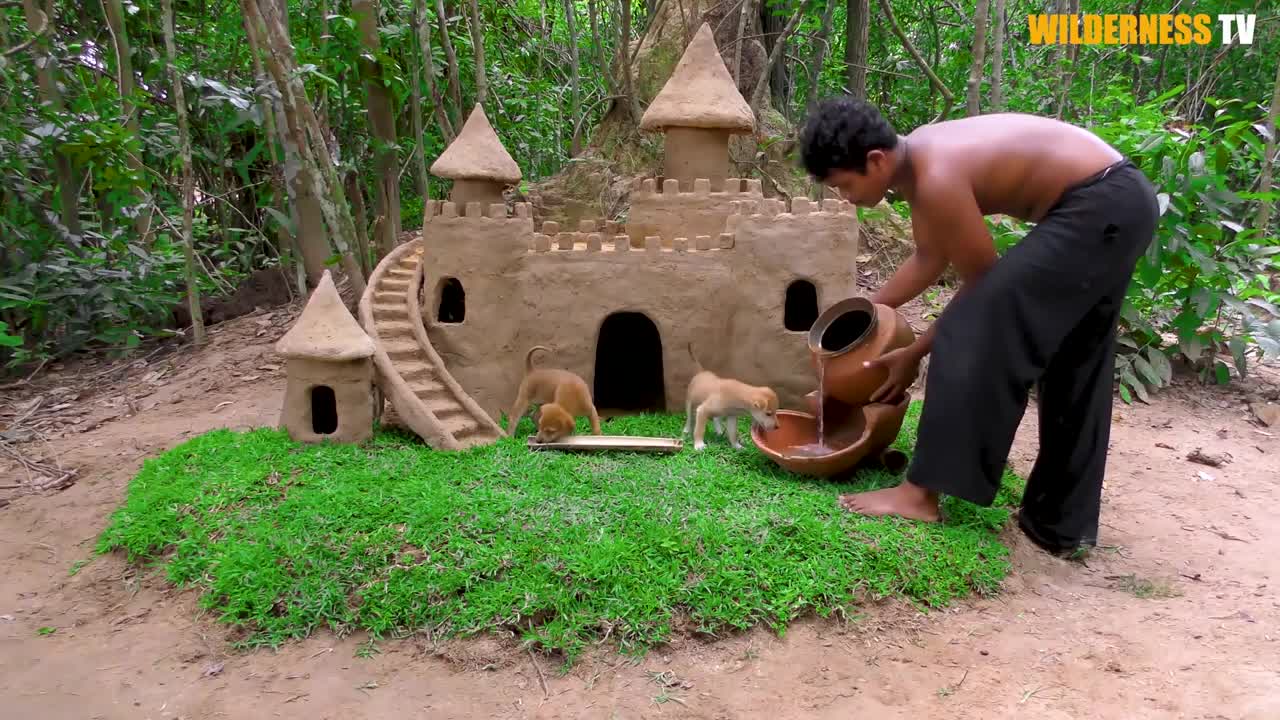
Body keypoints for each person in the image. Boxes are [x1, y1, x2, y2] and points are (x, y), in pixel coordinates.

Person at [797, 97, 1159, 556]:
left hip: (1100, 205)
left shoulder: (936, 175)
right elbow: (929, 255)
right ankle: (1059, 526)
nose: (845, 197)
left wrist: (918, 349)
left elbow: (982, 284)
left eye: (844, 185)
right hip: (1118, 203)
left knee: (969, 330)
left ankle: (920, 495)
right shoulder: (919, 161)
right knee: (1074, 357)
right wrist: (865, 312)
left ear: (875, 160)